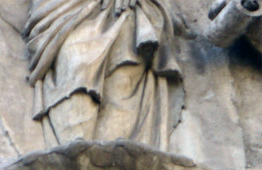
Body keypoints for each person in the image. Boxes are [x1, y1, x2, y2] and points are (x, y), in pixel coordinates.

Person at [23, 0, 183, 148]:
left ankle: (114, 162)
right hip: (69, 10)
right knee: (77, 64)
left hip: (124, 9)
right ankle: (74, 155)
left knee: (125, 73)